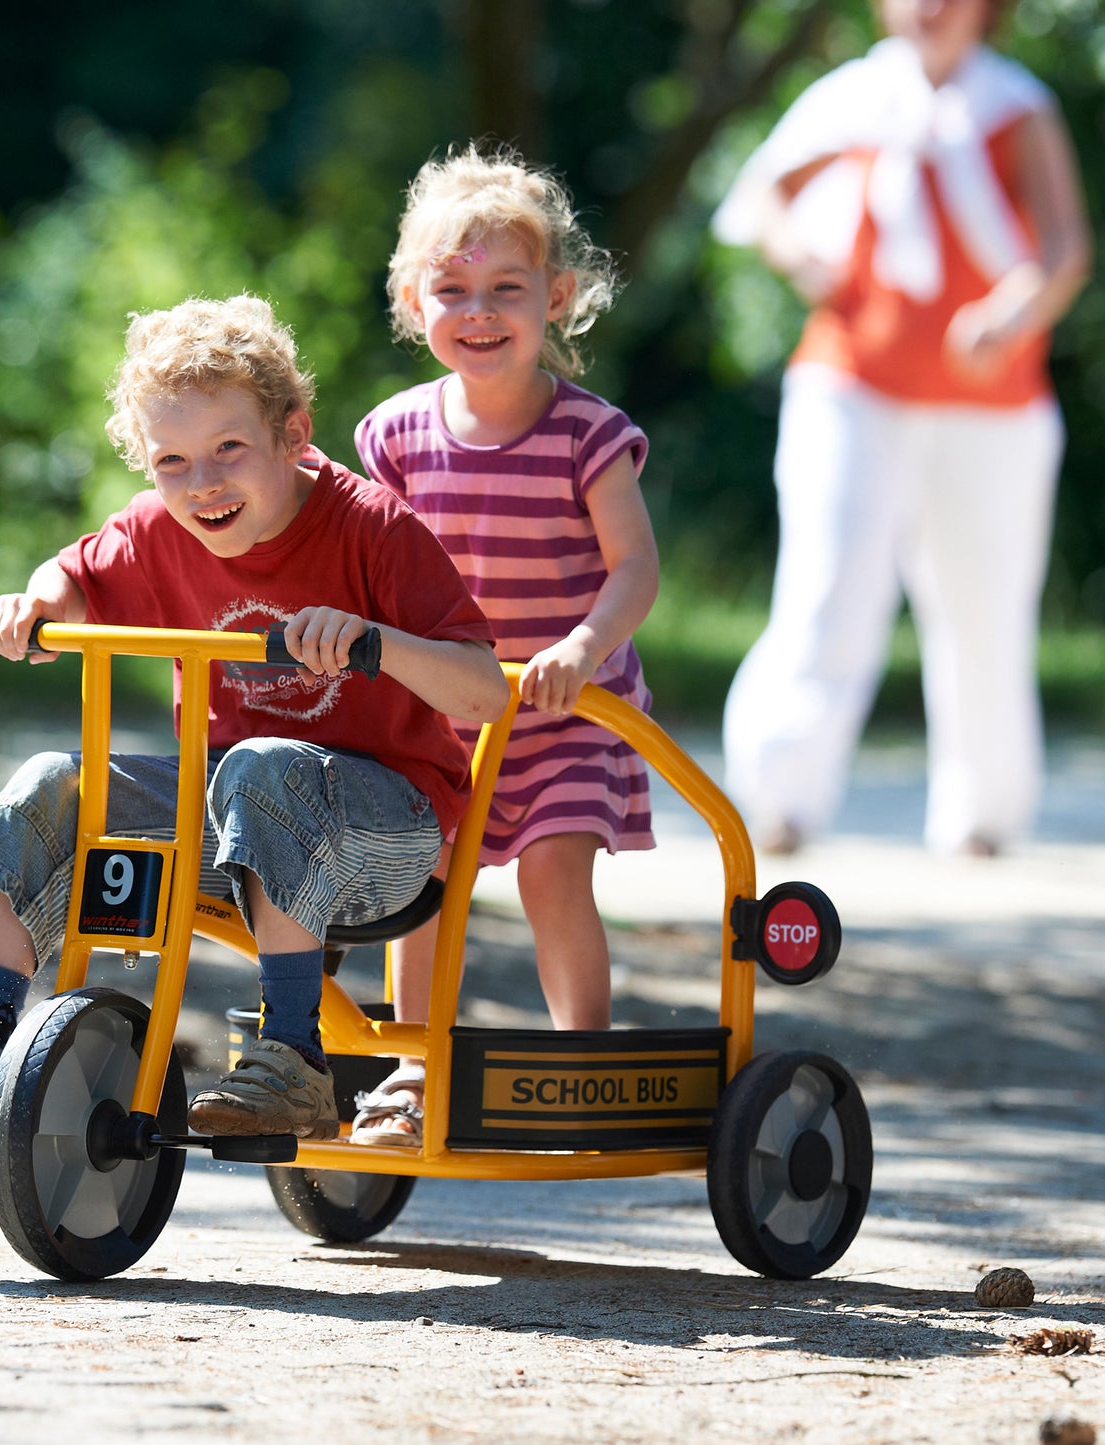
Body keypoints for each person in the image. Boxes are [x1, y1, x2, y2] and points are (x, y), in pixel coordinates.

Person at [0, 294, 509, 1144]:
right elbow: (71, 574)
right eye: (172, 461)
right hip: (237, 823)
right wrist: (35, 604)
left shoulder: (370, 527)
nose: (204, 483)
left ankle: (293, 1059)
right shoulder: (162, 529)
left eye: (230, 449)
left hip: (392, 836)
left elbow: (485, 694)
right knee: (55, 779)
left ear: (293, 435)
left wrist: (376, 640)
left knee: (258, 766)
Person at [713, 0, 1092, 857]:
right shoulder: (848, 97)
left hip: (991, 405)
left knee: (984, 604)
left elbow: (1065, 248)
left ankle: (982, 816)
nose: (930, 6)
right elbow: (762, 199)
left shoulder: (1017, 106)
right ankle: (775, 801)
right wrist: (796, 254)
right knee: (824, 588)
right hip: (850, 386)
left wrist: (1011, 314)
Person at [348, 144, 660, 1145]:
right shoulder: (392, 437)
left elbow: (634, 569)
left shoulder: (585, 434)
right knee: (420, 875)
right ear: (410, 301)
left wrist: (583, 643)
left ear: (556, 297)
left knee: (549, 873)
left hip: (565, 704)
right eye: (450, 290)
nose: (476, 312)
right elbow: (370, 568)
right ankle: (409, 1066)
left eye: (505, 289)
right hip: (446, 706)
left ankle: (586, 1064)